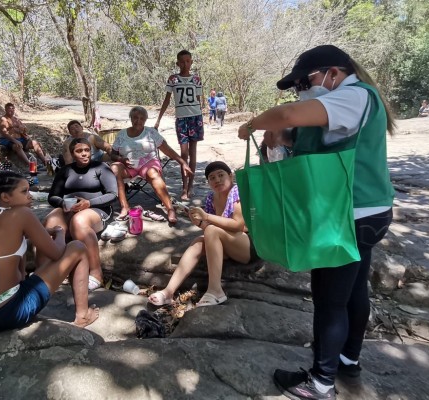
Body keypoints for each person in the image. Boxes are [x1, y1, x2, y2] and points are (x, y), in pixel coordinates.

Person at [238, 45, 395, 400]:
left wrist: (253, 124)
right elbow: (322, 139)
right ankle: (347, 361)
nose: (301, 91)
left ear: (333, 73)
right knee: (354, 290)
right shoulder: (349, 102)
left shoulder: (353, 96)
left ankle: (321, 383)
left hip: (347, 215)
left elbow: (288, 113)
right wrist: (283, 138)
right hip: (366, 213)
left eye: (303, 82)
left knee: (329, 300)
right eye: (296, 87)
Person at [0, 171, 99, 344]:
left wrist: (46, 232)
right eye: (24, 192)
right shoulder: (21, 214)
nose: (30, 196)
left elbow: (13, 240)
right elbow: (56, 252)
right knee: (77, 248)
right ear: (5, 197)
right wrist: (60, 233)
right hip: (7, 312)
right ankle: (83, 316)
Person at [148, 161, 252, 307]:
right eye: (212, 178)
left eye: (221, 175)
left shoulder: (236, 192)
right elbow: (211, 231)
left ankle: (216, 290)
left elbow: (238, 225)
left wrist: (207, 217)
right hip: (227, 244)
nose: (217, 180)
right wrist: (199, 223)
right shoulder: (211, 198)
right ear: (208, 182)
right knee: (198, 242)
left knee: (211, 231)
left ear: (231, 177)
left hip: (246, 244)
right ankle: (168, 292)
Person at [45, 138, 118, 291]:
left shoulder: (101, 167)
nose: (84, 154)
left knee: (78, 221)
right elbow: (52, 196)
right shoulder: (66, 170)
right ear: (72, 154)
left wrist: (89, 203)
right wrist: (62, 203)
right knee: (51, 221)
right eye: (79, 151)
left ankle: (96, 273)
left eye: (86, 150)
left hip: (98, 208)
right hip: (71, 208)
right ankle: (50, 269)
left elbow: (113, 194)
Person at [110, 106, 193, 224]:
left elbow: (167, 150)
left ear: (145, 120)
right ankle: (125, 207)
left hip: (148, 163)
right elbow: (112, 154)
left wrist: (183, 163)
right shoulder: (122, 134)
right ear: (130, 118)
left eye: (141, 118)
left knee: (152, 173)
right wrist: (121, 159)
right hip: (128, 165)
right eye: (135, 117)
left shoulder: (151, 132)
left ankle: (170, 209)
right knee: (114, 169)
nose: (138, 121)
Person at [154, 49, 204, 200]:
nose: (185, 64)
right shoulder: (173, 79)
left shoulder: (196, 80)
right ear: (177, 63)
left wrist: (202, 116)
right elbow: (167, 100)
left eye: (188, 61)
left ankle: (190, 187)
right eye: (182, 62)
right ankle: (183, 187)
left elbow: (198, 100)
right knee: (184, 154)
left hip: (195, 118)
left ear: (191, 62)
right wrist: (158, 119)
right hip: (181, 119)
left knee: (193, 152)